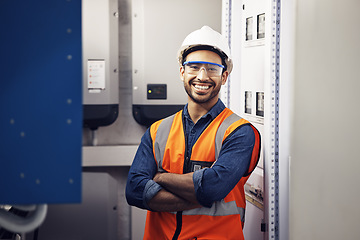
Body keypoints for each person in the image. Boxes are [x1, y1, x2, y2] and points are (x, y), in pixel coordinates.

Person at [126, 26, 261, 240]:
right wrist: (197, 194)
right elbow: (134, 190)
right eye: (194, 67)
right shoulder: (157, 131)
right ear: (182, 72)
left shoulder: (240, 133)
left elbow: (212, 188)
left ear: (224, 76)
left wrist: (160, 177)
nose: (202, 76)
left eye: (212, 69)